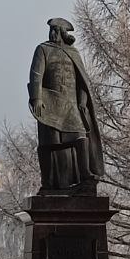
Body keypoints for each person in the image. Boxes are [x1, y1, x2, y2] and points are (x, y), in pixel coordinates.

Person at [27, 17, 105, 193]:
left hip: (71, 105)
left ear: (63, 33)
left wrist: (83, 102)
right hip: (50, 104)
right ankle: (48, 183)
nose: (53, 34)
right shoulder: (43, 49)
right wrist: (36, 98)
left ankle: (85, 174)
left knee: (80, 137)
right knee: (48, 144)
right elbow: (36, 75)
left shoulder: (73, 53)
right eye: (51, 30)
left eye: (56, 30)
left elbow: (82, 81)